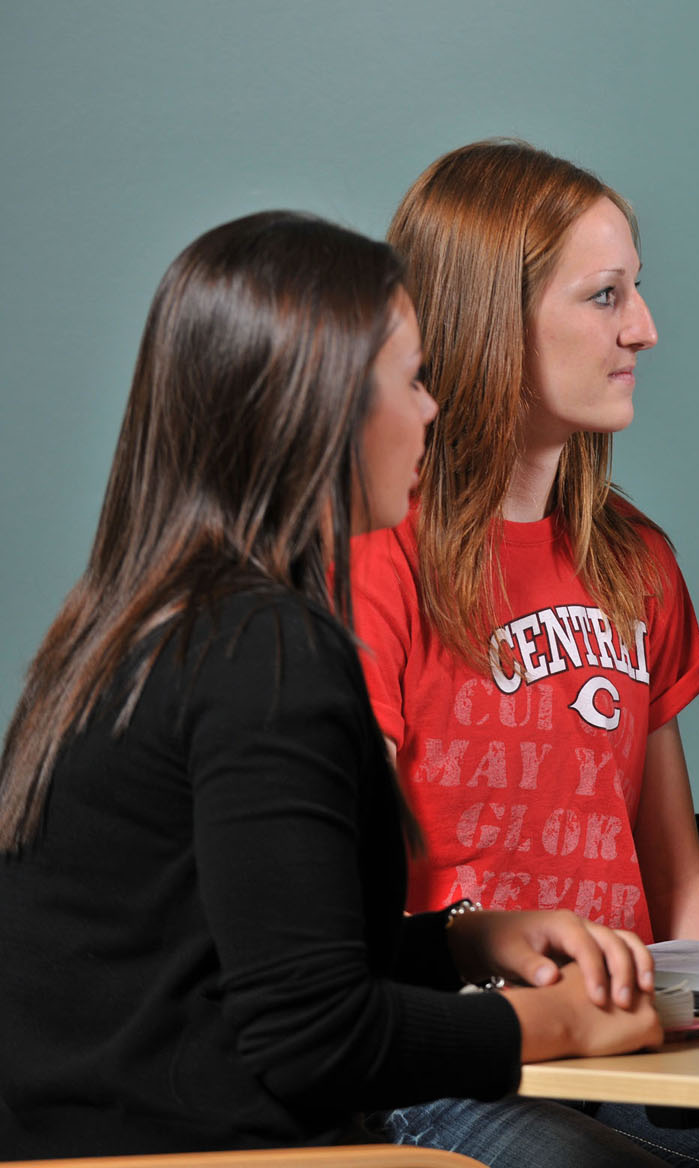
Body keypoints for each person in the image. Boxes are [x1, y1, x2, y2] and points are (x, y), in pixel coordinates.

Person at [0, 212, 663, 1159]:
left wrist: (462, 945)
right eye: (411, 381)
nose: (433, 411)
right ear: (319, 408)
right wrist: (561, 1025)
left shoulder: (125, 631)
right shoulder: (266, 655)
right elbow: (314, 1038)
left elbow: (239, 959)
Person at [353, 141, 699, 1168]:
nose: (644, 328)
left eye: (635, 292)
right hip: (443, 1052)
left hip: (625, 1045)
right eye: (606, 296)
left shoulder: (636, 559)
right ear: (489, 321)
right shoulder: (376, 555)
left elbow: (680, 883)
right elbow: (346, 899)